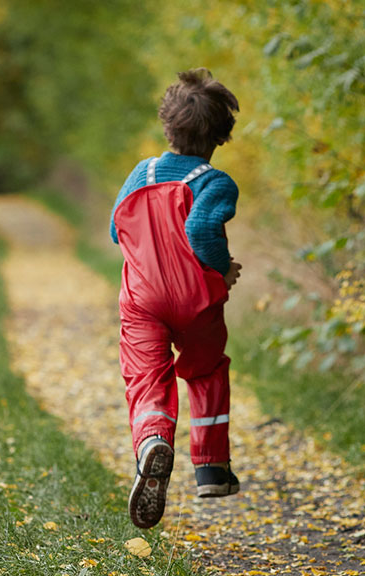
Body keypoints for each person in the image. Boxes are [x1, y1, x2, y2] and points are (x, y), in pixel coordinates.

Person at [110, 68, 243, 529]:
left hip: (143, 299)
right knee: (205, 369)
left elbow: (115, 228)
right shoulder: (215, 181)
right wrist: (222, 269)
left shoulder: (140, 173)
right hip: (196, 301)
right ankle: (211, 469)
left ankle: (152, 441)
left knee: (147, 375)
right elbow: (203, 229)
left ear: (168, 126)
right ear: (220, 136)